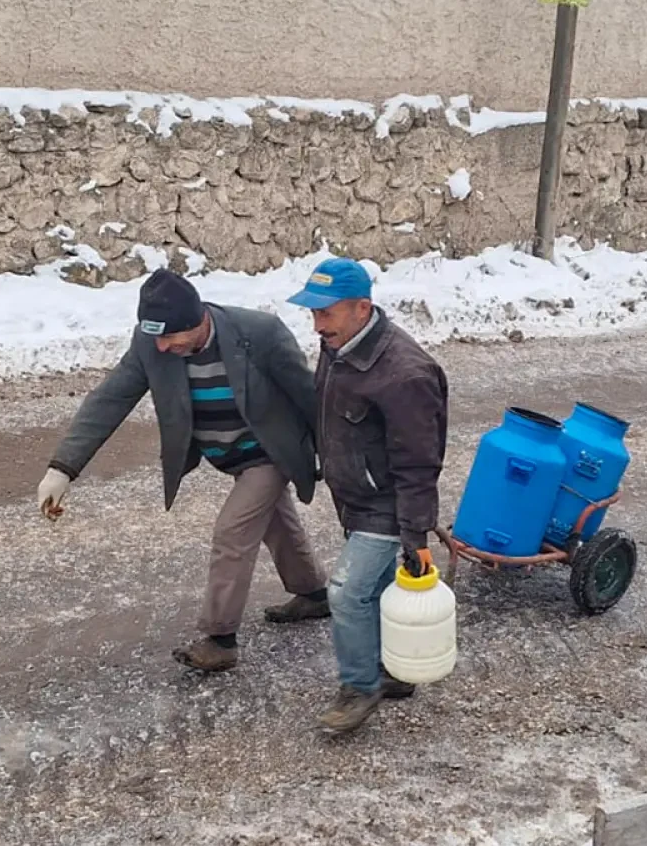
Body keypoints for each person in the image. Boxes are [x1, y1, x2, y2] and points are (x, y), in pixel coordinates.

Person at [37, 268, 330, 672]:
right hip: (225, 454)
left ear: (197, 322)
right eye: (153, 336)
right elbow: (109, 399)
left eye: (169, 337)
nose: (160, 346)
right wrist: (63, 468)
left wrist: (335, 456)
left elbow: (309, 396)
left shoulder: (259, 333)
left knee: (233, 532)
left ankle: (220, 638)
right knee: (275, 522)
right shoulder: (151, 345)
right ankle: (313, 594)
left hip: (270, 452)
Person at [287, 257, 449, 734]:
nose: (317, 325)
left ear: (362, 308)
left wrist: (416, 534)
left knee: (348, 593)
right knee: (377, 589)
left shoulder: (406, 374)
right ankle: (394, 670)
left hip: (387, 505)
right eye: (312, 314)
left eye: (326, 313)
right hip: (355, 498)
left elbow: (420, 463)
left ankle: (360, 687)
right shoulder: (338, 344)